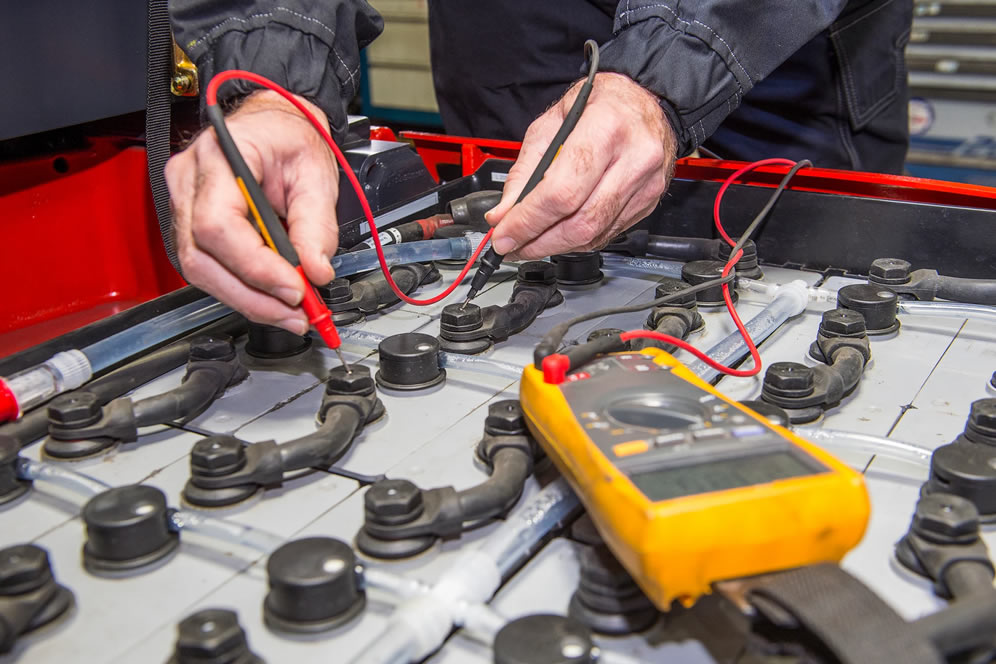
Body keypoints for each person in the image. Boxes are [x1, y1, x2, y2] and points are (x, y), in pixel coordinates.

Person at [166, 0, 911, 335]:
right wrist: (274, 81)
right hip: (511, 29)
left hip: (767, 41)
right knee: (530, 218)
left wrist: (671, 69)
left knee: (814, 271)